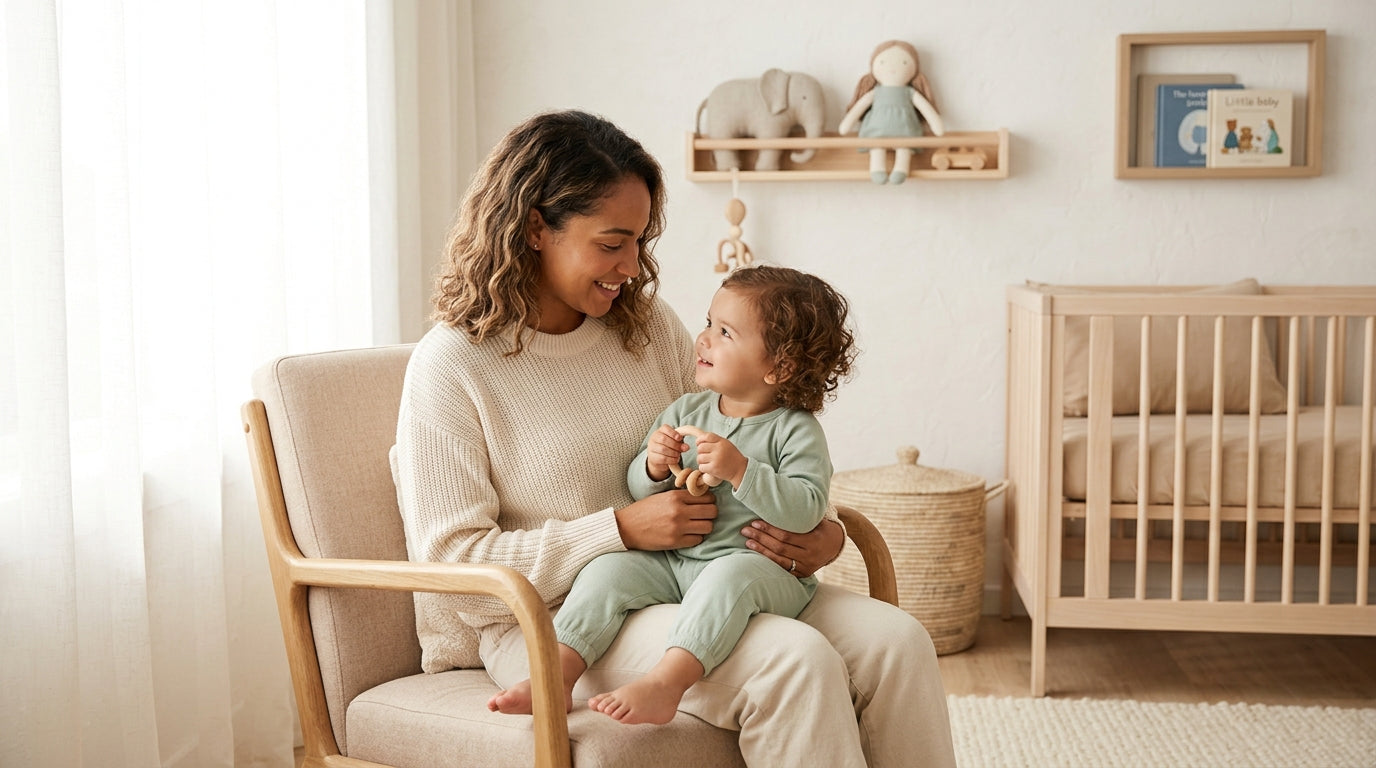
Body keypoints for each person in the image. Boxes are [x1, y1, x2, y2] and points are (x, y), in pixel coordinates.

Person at [391, 108, 956, 768]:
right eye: (611, 243)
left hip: (697, 574)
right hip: (555, 619)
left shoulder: (647, 327)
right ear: (535, 227)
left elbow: (740, 432)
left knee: (898, 642)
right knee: (792, 661)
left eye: (640, 241)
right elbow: (454, 563)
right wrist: (620, 530)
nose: (632, 266)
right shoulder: (452, 364)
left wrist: (819, 533)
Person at [489, 264, 855, 725]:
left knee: (730, 578)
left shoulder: (794, 430)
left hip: (758, 571)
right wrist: (654, 465)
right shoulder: (689, 408)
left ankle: (667, 682)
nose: (703, 339)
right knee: (608, 570)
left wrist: (742, 471)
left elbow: (805, 510)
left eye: (725, 333)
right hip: (675, 563)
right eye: (707, 323)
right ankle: (555, 677)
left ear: (778, 366)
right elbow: (639, 489)